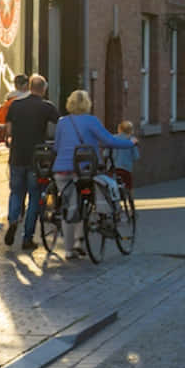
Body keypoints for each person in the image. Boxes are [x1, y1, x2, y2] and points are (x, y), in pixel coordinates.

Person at [51, 90, 137, 251]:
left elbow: (56, 146)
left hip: (62, 171)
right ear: (87, 104)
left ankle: (68, 250)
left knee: (69, 206)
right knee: (96, 190)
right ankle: (84, 235)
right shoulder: (92, 121)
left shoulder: (62, 122)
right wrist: (130, 143)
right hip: (85, 170)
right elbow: (109, 141)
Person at [4, 74, 60, 248]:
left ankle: (13, 220)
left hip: (16, 156)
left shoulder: (15, 105)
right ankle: (27, 237)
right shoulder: (46, 107)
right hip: (36, 159)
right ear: (43, 89)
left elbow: (8, 131)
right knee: (35, 196)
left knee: (16, 192)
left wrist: (11, 142)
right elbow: (62, 125)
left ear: (29, 87)